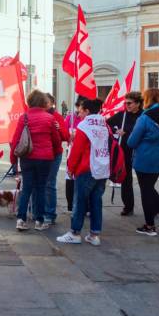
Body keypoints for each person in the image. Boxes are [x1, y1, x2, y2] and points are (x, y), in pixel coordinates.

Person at [57, 98, 109, 246]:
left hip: (86, 168)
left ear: (87, 111)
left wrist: (70, 168)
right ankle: (94, 234)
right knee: (96, 202)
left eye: (80, 110)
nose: (78, 113)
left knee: (79, 202)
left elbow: (76, 151)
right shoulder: (104, 124)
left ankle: (75, 232)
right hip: (102, 168)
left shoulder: (84, 126)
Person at [10, 90, 62, 231]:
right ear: (43, 102)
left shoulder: (24, 117)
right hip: (45, 158)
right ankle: (39, 220)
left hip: (27, 157)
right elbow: (56, 141)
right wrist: (57, 153)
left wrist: (13, 159)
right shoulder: (49, 118)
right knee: (41, 188)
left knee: (26, 188)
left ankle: (21, 219)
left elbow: (15, 140)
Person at [127, 88, 159, 236]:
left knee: (146, 191)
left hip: (145, 158)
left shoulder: (145, 117)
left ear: (147, 99)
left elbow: (132, 141)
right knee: (150, 188)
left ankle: (149, 225)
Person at [107, 91, 143, 216]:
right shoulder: (122, 115)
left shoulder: (144, 115)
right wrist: (116, 130)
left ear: (138, 103)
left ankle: (152, 207)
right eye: (125, 103)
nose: (127, 105)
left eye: (130, 103)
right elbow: (107, 124)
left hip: (139, 152)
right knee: (126, 179)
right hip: (125, 151)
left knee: (144, 183)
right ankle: (128, 206)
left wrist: (126, 131)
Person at [40, 93, 70, 225]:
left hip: (54, 154)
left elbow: (66, 136)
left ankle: (50, 213)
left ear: (52, 103)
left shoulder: (57, 116)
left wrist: (58, 129)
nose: (44, 104)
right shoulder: (38, 114)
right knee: (39, 183)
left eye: (46, 102)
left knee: (49, 183)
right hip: (40, 153)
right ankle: (38, 210)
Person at [64, 96, 87, 212]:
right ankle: (70, 205)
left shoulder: (89, 120)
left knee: (83, 180)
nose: (80, 110)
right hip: (71, 151)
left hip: (86, 155)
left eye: (82, 108)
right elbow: (63, 134)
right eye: (78, 107)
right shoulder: (70, 118)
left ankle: (84, 206)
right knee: (70, 178)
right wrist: (69, 137)